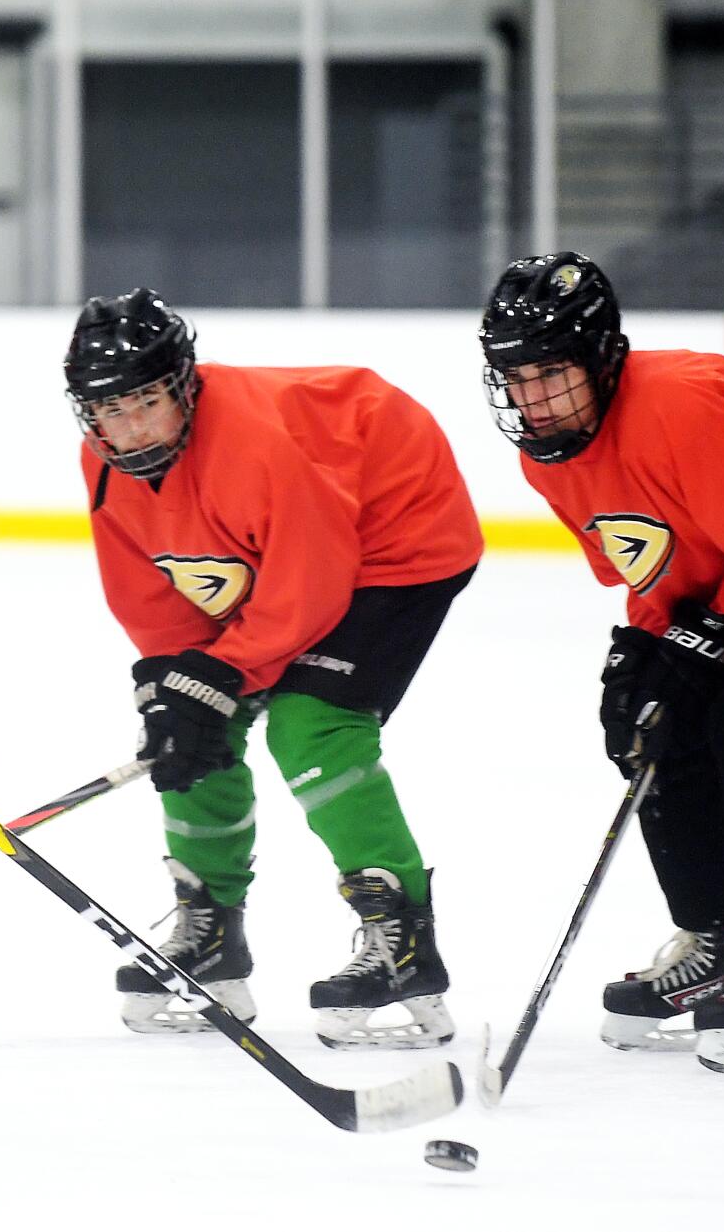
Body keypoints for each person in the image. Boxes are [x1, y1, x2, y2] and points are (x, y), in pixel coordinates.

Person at [64, 290, 480, 1049]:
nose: (129, 429)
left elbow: (311, 584)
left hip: (397, 535)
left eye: (147, 402)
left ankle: (403, 939)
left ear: (184, 384)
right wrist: (173, 686)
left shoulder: (257, 439)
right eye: (109, 411)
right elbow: (153, 590)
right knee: (191, 728)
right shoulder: (105, 460)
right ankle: (210, 927)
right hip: (283, 552)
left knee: (309, 724)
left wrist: (220, 672)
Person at [481, 252, 724, 1073]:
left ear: (601, 356)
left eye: (552, 373)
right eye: (515, 377)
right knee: (650, 720)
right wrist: (655, 645)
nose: (533, 398)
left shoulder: (680, 409)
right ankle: (721, 930)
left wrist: (714, 631)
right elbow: (654, 567)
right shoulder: (548, 455)